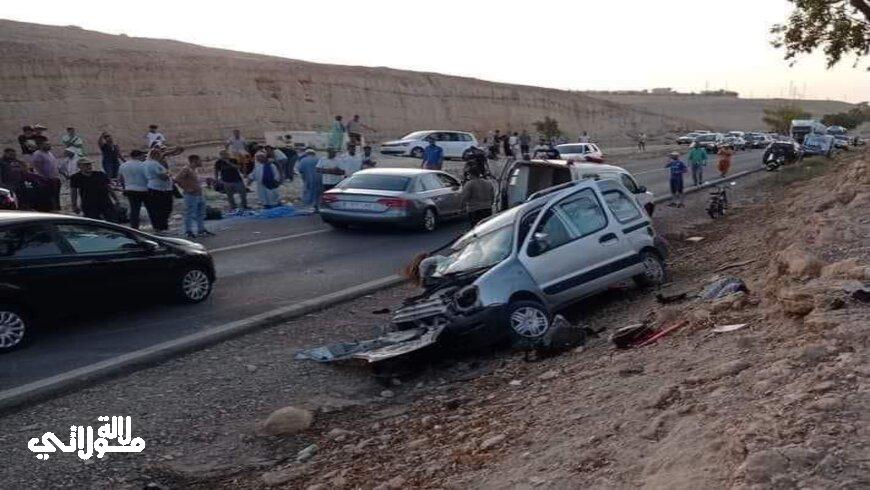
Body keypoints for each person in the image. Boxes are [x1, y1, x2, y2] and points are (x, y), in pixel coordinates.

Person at [175, 154, 214, 238]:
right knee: (190, 213)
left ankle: (201, 229)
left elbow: (195, 180)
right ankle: (188, 231)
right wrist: (186, 188)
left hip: (199, 194)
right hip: (191, 195)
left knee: (200, 213)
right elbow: (177, 179)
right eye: (199, 160)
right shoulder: (186, 169)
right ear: (194, 161)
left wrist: (206, 180)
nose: (201, 162)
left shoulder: (194, 170)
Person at [143, 147, 174, 233]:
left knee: (156, 209)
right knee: (164, 208)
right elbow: (162, 176)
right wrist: (169, 174)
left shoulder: (145, 163)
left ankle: (158, 227)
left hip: (154, 188)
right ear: (156, 155)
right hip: (160, 189)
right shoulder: (154, 164)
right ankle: (162, 227)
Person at [119, 150, 149, 229]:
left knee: (134, 209)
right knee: (150, 208)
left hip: (130, 190)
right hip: (144, 190)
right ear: (139, 156)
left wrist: (124, 188)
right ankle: (155, 225)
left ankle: (134, 228)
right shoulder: (144, 165)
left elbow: (121, 179)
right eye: (143, 156)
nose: (144, 157)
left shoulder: (123, 165)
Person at [31, 141, 61, 210]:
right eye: (47, 144)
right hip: (46, 180)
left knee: (55, 196)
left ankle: (56, 208)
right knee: (48, 197)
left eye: (49, 144)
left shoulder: (49, 153)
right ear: (41, 145)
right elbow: (37, 167)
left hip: (54, 178)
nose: (49, 145)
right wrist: (44, 177)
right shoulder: (38, 154)